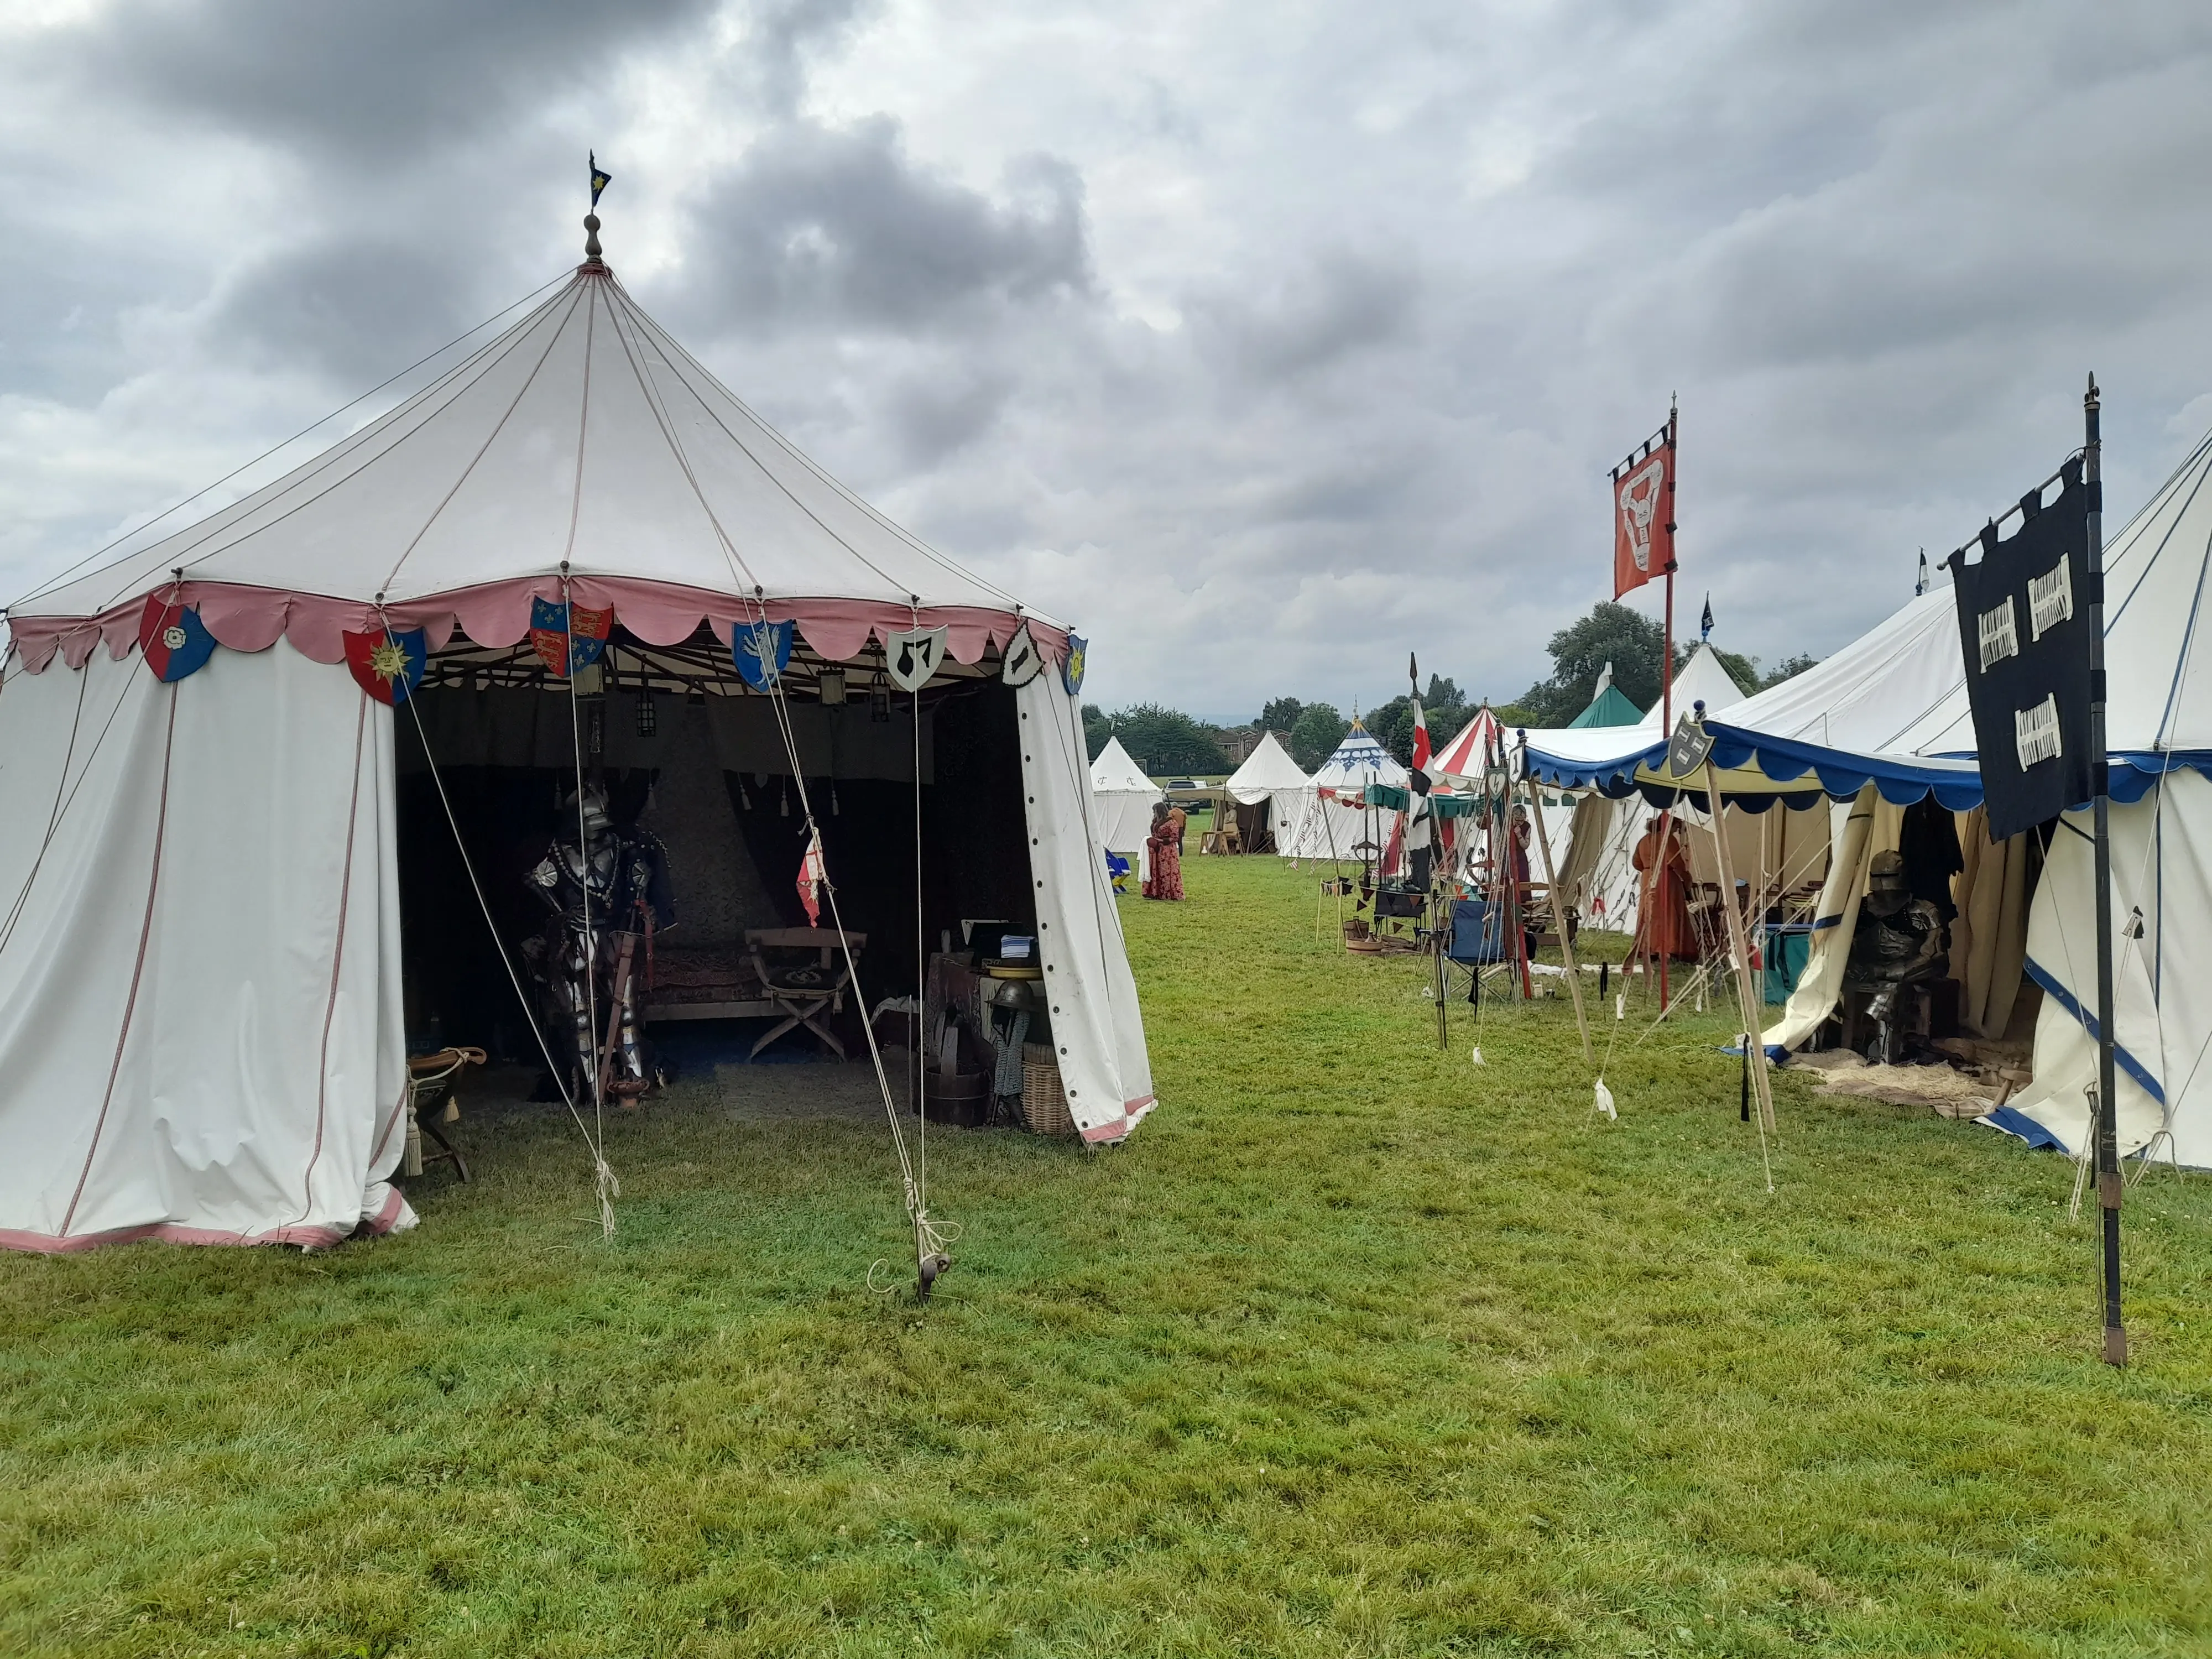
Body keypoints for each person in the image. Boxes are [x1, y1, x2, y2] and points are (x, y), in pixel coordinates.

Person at [523, 785, 676, 1099]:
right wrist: (562, 916)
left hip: (616, 936)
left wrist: (640, 888)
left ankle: (635, 1082)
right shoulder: (556, 856)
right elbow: (535, 881)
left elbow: (640, 885)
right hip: (574, 942)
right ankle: (592, 1089)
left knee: (629, 1013)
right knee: (579, 1018)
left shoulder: (623, 849)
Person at [1844, 849, 1945, 1062]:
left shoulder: (1924, 911)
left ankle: (1883, 1060)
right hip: (1863, 971)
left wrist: (1888, 971)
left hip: (1905, 974)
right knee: (1820, 989)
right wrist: (1849, 964)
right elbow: (1840, 943)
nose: (1883, 884)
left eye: (1889, 877)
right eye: (1879, 877)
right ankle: (1819, 1049)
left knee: (1888, 995)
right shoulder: (1859, 908)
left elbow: (1935, 957)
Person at [1631, 812, 1698, 963]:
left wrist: (1648, 869)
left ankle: (1650, 949)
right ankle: (1672, 949)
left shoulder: (1644, 840)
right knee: (1670, 913)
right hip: (1666, 879)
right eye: (1676, 827)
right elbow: (1677, 863)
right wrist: (1687, 879)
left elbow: (1636, 862)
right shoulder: (1668, 839)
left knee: (1649, 913)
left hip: (1648, 879)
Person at [1142, 801, 1185, 900]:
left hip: (1167, 851)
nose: (1154, 814)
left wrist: (1162, 840)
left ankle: (1168, 893)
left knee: (1166, 871)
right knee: (1155, 870)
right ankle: (1155, 892)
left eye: (1155, 812)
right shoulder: (1155, 821)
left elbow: (1175, 838)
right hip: (1156, 850)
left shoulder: (1172, 822)